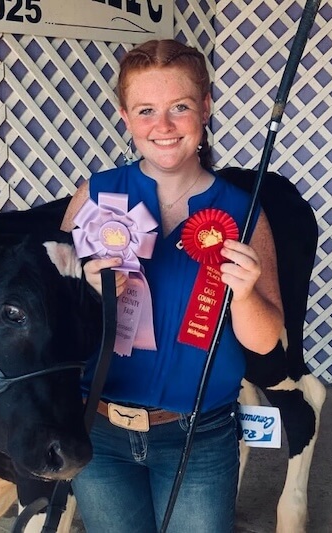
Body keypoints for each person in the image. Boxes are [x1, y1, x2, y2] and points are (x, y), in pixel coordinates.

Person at [60, 39, 284, 533]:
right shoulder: (95, 195)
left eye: (179, 108)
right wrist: (85, 287)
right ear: (125, 117)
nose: (162, 127)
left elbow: (268, 341)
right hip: (99, 429)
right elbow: (51, 318)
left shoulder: (244, 214)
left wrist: (244, 294)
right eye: (146, 111)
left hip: (198, 434)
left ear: (205, 109)